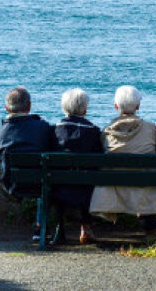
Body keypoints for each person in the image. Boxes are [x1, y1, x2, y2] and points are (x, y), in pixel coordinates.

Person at [89, 85, 156, 234]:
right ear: (138, 106)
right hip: (145, 186)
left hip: (115, 187)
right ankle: (150, 226)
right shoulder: (150, 128)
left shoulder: (107, 131)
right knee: (148, 173)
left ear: (116, 106)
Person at [0, 86, 56, 241]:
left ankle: (40, 227)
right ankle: (40, 226)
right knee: (45, 179)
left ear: (7, 108)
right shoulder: (43, 127)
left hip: (12, 183)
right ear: (29, 107)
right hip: (40, 183)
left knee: (42, 179)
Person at [52, 88, 103, 245]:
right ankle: (86, 226)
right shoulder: (94, 132)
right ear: (85, 110)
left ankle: (59, 228)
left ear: (64, 108)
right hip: (87, 190)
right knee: (88, 178)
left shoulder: (54, 130)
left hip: (58, 188)